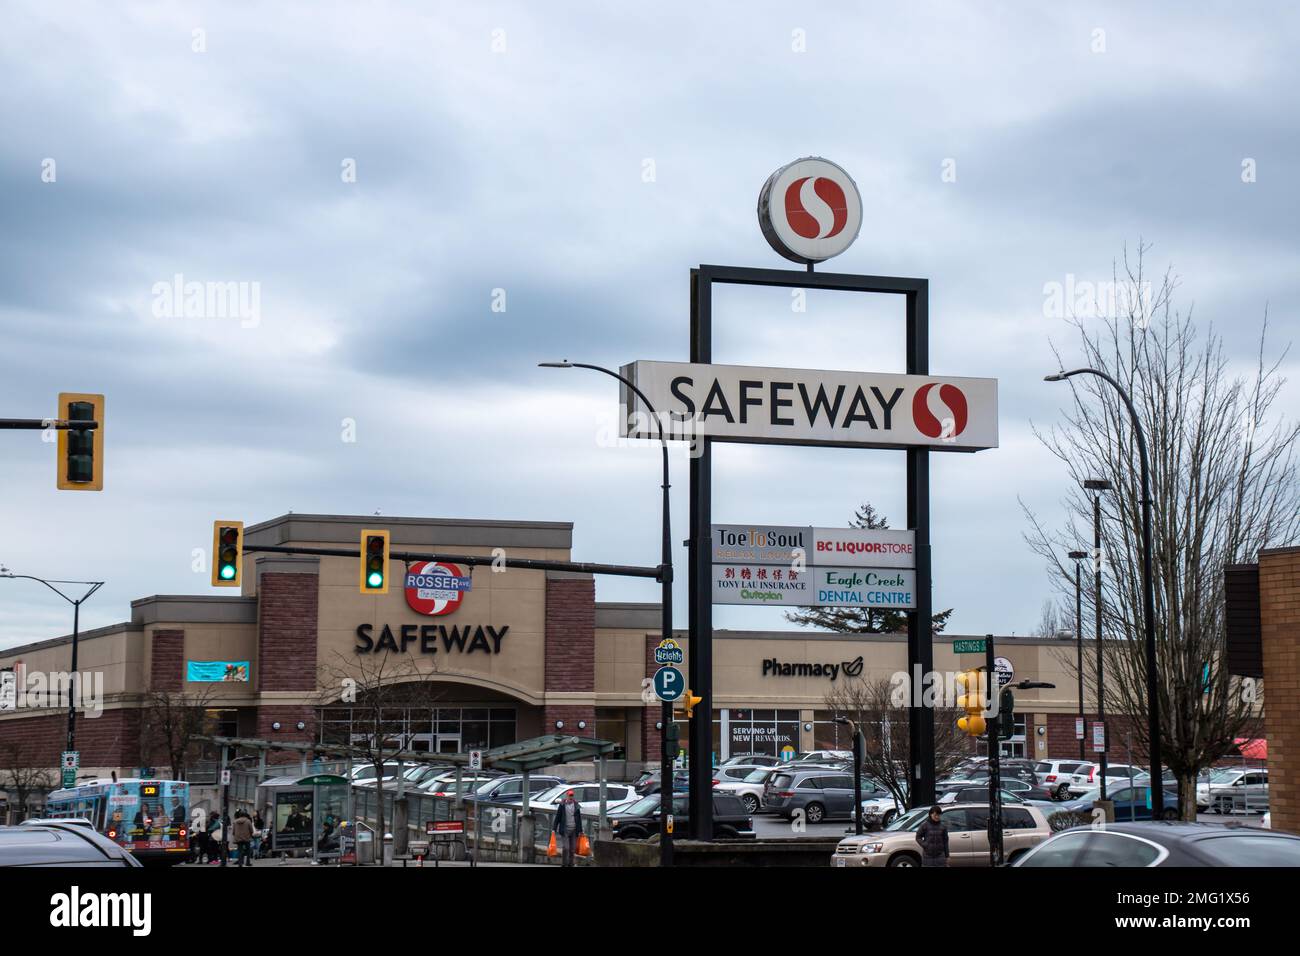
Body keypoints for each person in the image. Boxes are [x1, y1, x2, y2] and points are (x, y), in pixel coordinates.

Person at [552, 789, 583, 867]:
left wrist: (580, 830)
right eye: (570, 795)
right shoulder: (562, 805)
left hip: (574, 829)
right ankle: (564, 864)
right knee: (566, 848)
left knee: (572, 849)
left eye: (572, 795)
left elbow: (579, 818)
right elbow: (558, 817)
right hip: (565, 829)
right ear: (567, 796)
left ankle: (571, 863)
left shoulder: (576, 805)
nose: (571, 797)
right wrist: (554, 829)